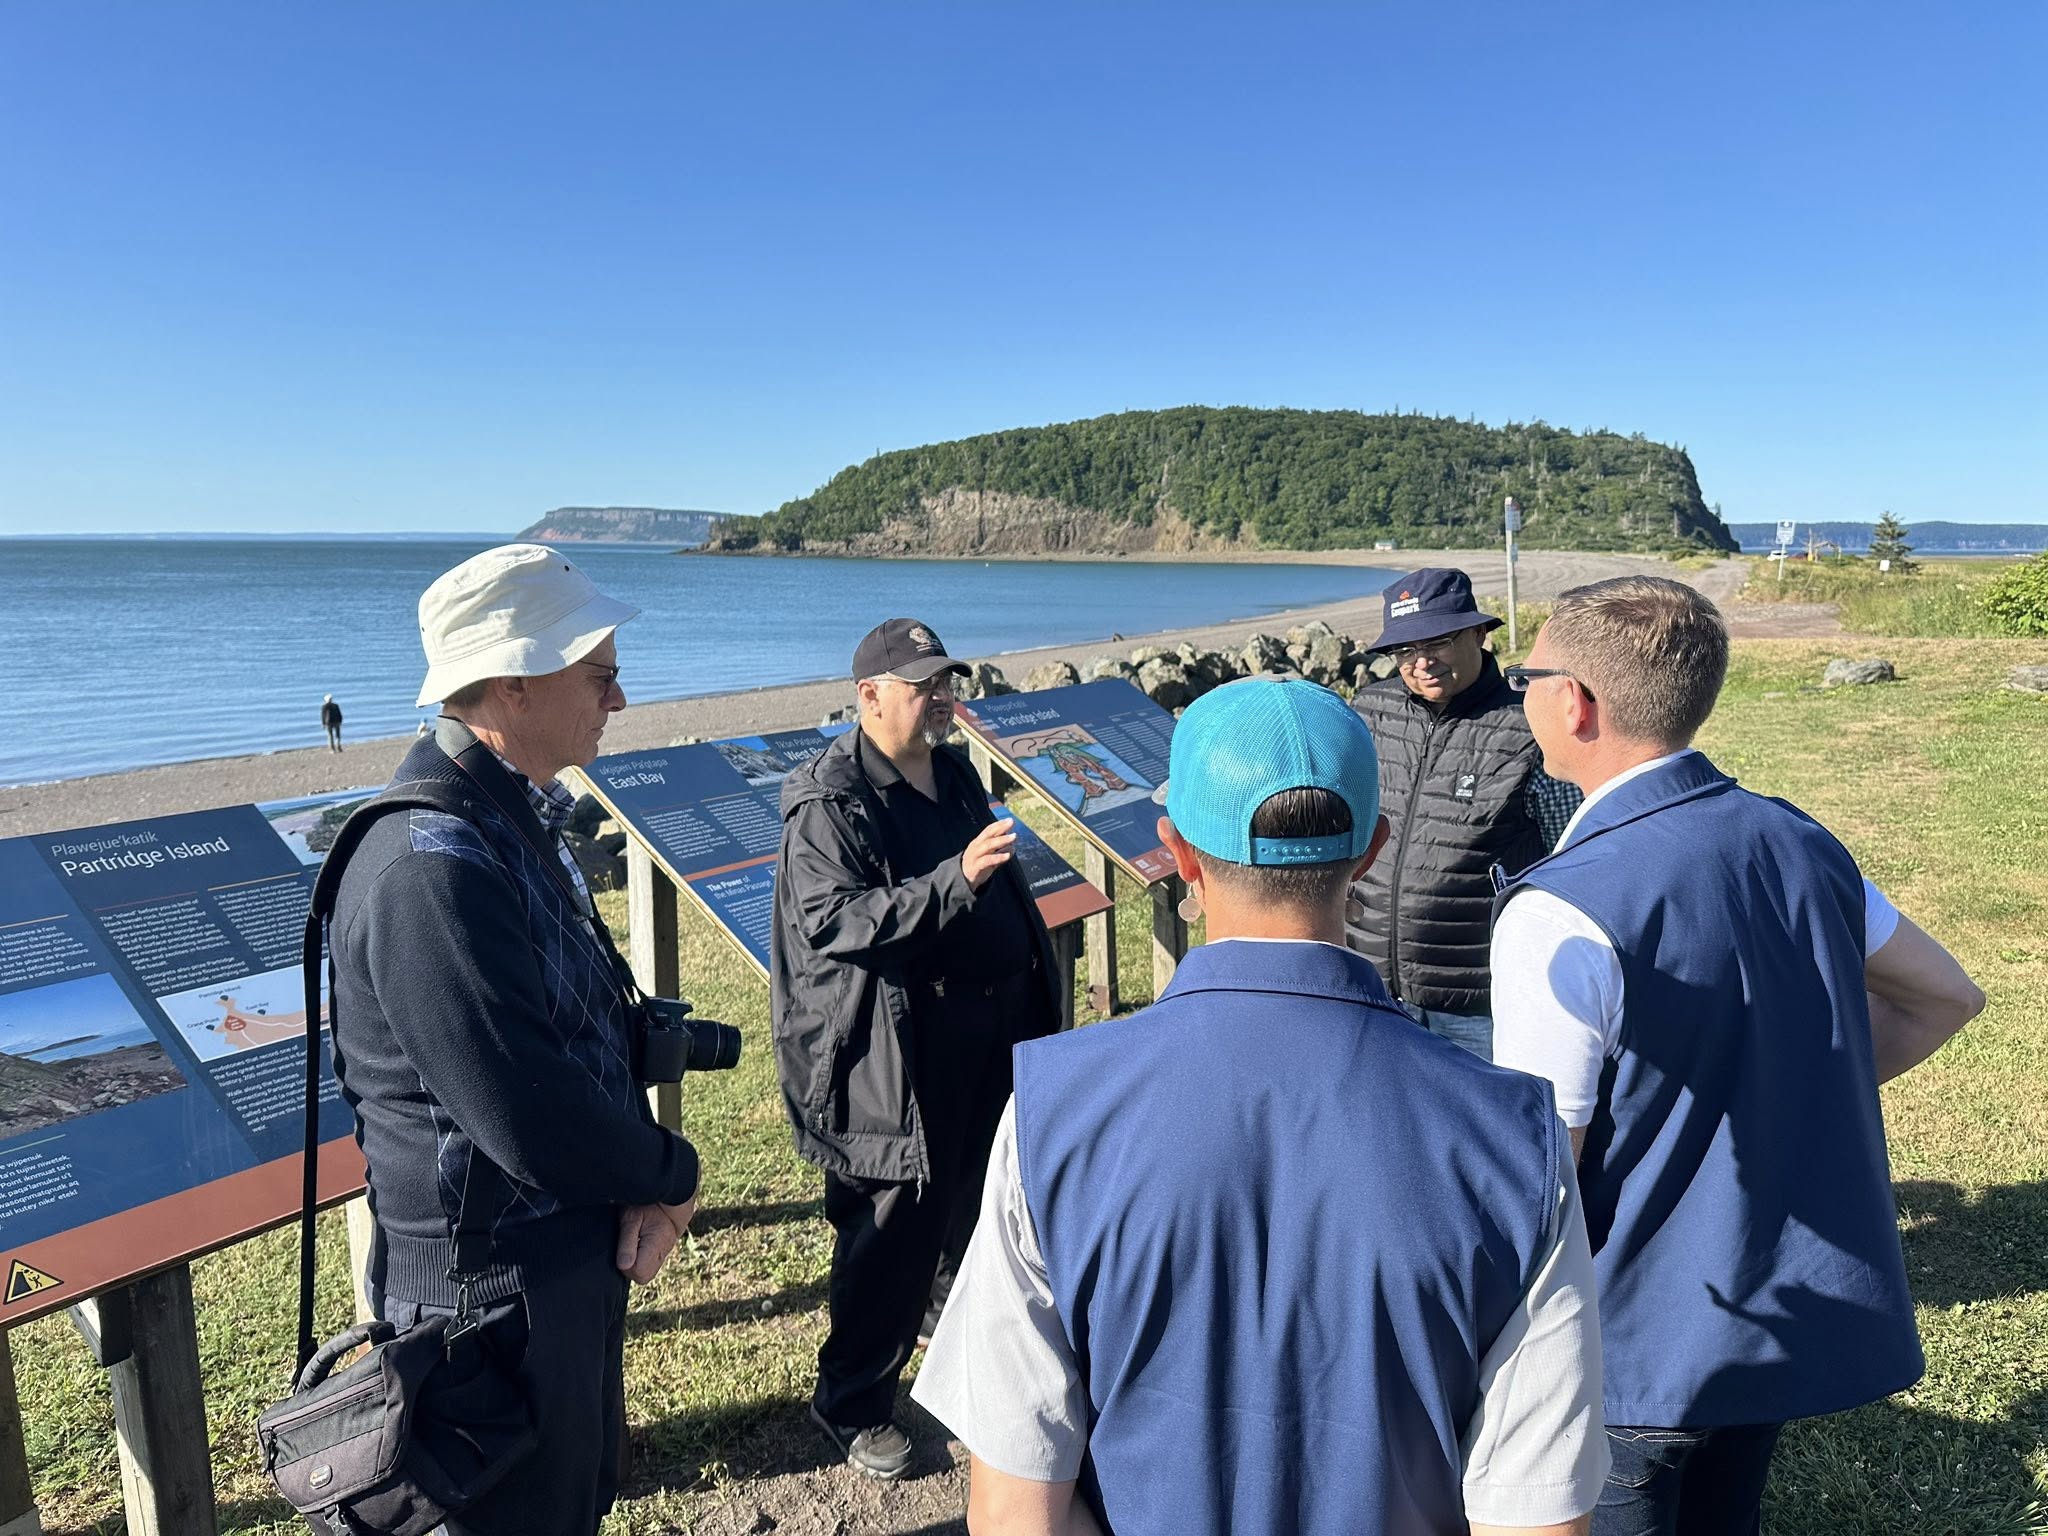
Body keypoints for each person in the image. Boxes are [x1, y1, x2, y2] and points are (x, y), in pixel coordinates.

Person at [915, 676, 1609, 1536]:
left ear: (1177, 853)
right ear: (1372, 851)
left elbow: (1016, 1510)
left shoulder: (1054, 1112)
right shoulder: (1517, 1142)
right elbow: (1540, 1519)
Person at [1490, 576, 1986, 1536]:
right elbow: (1944, 997)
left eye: (1528, 675)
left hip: (1625, 1345)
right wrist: (1777, 1086)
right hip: (1766, 1321)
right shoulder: (1802, 843)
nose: (1522, 694)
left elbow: (1543, 1178)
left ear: (1576, 703)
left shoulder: (1563, 905)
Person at [328, 544, 701, 1535]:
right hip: (482, 1310)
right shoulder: (427, 866)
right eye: (599, 672)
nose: (619, 697)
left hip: (544, 1276)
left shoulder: (495, 824)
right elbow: (526, 1113)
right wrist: (672, 1168)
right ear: (508, 683)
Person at [769, 617, 1063, 1480]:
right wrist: (955, 880)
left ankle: (954, 1343)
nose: (942, 700)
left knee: (981, 1203)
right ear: (869, 696)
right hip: (893, 1051)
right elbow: (834, 922)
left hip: (992, 1026)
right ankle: (850, 1399)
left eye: (947, 683)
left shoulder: (957, 770)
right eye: (923, 686)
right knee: (889, 1224)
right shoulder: (830, 801)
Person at [1343, 567, 1580, 1060]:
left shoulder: (1529, 721)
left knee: (1481, 1132)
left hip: (1481, 1001)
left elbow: (1572, 859)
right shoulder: (1368, 711)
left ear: (1478, 632)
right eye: (1404, 649)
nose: (1421, 662)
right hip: (1369, 986)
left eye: (1439, 641)